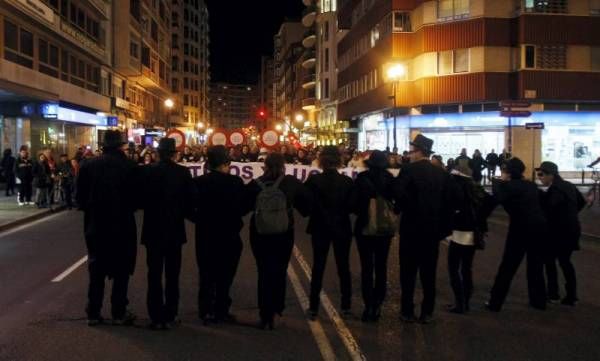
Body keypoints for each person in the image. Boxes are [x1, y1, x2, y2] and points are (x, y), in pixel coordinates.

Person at [76, 130, 139, 326]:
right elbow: (137, 199)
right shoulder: (129, 166)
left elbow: (79, 199)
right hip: (122, 225)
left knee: (96, 270)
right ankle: (119, 311)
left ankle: (93, 311)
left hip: (96, 224)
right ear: (121, 146)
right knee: (121, 271)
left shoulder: (88, 165)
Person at [392, 134, 454, 324]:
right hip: (432, 230)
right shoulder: (441, 173)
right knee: (429, 273)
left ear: (418, 152)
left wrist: (398, 209)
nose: (409, 154)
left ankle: (407, 310)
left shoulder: (408, 171)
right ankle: (427, 311)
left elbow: (398, 194)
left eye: (411, 151)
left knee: (408, 273)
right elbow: (449, 202)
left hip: (411, 228)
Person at [246, 153, 311, 329]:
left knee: (264, 271)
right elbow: (306, 207)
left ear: (264, 166)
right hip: (283, 233)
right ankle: (277, 310)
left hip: (260, 234)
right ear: (283, 166)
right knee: (280, 270)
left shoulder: (256, 184)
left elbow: (243, 206)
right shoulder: (290, 183)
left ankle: (264, 314)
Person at [141, 138, 195, 329]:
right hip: (174, 230)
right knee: (173, 275)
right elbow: (189, 202)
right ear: (174, 153)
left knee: (153, 274)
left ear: (157, 153)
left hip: (153, 229)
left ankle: (155, 316)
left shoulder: (147, 171)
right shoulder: (182, 172)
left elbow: (140, 199)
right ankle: (170, 314)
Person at [193, 145, 247, 324]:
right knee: (225, 275)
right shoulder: (235, 182)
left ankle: (205, 310)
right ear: (226, 163)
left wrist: (199, 219)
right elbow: (243, 207)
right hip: (229, 234)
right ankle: (221, 310)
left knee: (206, 273)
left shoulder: (199, 183)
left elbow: (189, 207)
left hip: (206, 234)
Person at [486, 158, 547, 312]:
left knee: (508, 267)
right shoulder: (530, 185)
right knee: (536, 266)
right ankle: (538, 301)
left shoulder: (507, 187)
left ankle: (495, 303)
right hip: (539, 228)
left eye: (503, 171)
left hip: (520, 229)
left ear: (508, 172)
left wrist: (497, 183)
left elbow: (493, 201)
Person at [304, 146, 355, 319]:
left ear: (322, 160)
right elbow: (352, 207)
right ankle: (346, 305)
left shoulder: (314, 181)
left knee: (318, 266)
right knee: (343, 266)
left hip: (320, 227)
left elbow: (306, 204)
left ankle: (313, 307)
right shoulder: (347, 182)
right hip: (341, 227)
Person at [354, 150, 398, 322]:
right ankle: (378, 305)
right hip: (384, 229)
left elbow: (354, 203)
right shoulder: (390, 179)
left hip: (365, 228)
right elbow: (398, 199)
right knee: (381, 267)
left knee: (366, 267)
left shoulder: (362, 179)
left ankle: (368, 305)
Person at [447, 163, 495, 314]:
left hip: (459, 232)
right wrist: (481, 221)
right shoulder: (476, 187)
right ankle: (466, 301)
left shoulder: (456, 187)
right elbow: (490, 202)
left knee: (453, 268)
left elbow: (450, 207)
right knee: (467, 268)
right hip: (473, 232)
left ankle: (459, 303)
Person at [536, 161, 585, 306]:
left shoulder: (555, 190)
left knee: (550, 261)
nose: (539, 177)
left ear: (551, 175)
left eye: (541, 174)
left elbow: (550, 209)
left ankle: (553, 294)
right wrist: (571, 215)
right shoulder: (569, 185)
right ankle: (572, 295)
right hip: (572, 230)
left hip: (557, 232)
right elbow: (581, 202)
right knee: (565, 262)